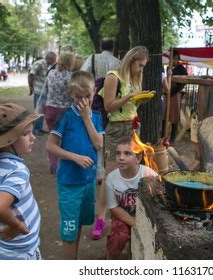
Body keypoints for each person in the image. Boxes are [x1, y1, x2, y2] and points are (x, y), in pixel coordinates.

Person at [91, 46, 148, 240]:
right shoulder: (113, 77)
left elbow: (130, 106)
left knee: (131, 173)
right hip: (116, 130)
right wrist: (129, 97)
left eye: (143, 66)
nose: (141, 69)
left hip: (132, 128)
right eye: (140, 65)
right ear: (131, 60)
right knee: (110, 176)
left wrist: (140, 100)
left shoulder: (134, 79)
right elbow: (109, 106)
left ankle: (124, 215)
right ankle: (100, 219)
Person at [45, 71, 104, 259]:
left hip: (88, 182)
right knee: (69, 234)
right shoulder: (65, 116)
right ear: (71, 94)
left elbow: (99, 144)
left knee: (77, 225)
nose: (83, 101)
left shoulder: (95, 116)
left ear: (94, 92)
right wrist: (74, 157)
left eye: (87, 96)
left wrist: (86, 118)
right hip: (70, 183)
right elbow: (50, 146)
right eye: (79, 97)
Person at [0, 103, 42, 260]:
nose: (33, 138)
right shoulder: (17, 171)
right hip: (15, 254)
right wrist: (17, 226)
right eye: (26, 134)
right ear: (8, 140)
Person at [81, 38, 120, 240]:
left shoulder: (93, 58)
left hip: (96, 101)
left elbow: (82, 73)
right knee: (103, 137)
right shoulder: (117, 62)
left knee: (96, 137)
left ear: (100, 46)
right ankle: (102, 171)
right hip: (110, 105)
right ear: (112, 48)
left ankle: (99, 172)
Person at [105, 137, 158, 259]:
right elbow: (114, 208)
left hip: (147, 217)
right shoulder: (111, 179)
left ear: (138, 158)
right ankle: (109, 260)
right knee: (118, 236)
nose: (121, 157)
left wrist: (144, 224)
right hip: (122, 216)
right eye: (118, 153)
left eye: (127, 153)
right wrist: (135, 224)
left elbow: (157, 204)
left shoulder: (150, 175)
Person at [37, 51, 75, 174]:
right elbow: (73, 96)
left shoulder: (51, 73)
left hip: (50, 111)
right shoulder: (71, 77)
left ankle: (54, 165)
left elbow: (44, 92)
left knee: (53, 139)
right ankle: (64, 166)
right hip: (66, 112)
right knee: (66, 139)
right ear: (70, 62)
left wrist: (40, 108)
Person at [28, 51, 57, 135]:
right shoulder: (39, 63)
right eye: (53, 59)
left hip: (46, 92)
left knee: (43, 111)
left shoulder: (51, 66)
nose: (54, 61)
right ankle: (35, 130)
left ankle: (39, 128)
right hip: (39, 91)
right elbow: (31, 75)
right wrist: (31, 87)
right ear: (49, 58)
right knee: (38, 111)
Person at [162, 50, 187, 142]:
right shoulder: (169, 67)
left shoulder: (181, 69)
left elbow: (183, 83)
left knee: (174, 115)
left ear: (178, 59)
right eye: (172, 58)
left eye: (175, 59)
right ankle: (163, 135)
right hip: (167, 93)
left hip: (175, 94)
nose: (173, 60)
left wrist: (171, 91)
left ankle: (172, 137)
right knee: (165, 114)